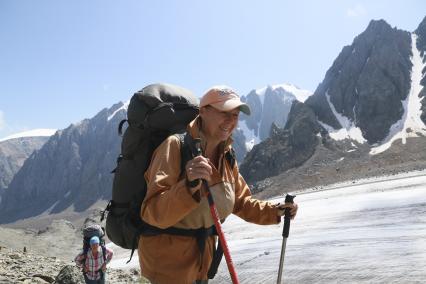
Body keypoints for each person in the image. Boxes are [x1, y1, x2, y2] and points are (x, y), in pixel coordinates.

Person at [138, 85, 298, 284]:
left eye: (236, 115)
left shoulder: (227, 156)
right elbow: (152, 212)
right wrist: (188, 186)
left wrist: (276, 211)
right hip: (168, 268)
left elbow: (240, 202)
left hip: (202, 264)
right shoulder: (175, 146)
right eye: (224, 113)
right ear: (203, 111)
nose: (231, 121)